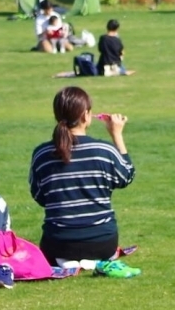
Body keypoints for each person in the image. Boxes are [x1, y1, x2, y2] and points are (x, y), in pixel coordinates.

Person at [29, 86, 140, 278]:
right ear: (85, 115)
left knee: (61, 250)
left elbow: (39, 196)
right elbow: (127, 176)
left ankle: (69, 261)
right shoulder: (104, 150)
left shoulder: (41, 154)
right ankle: (95, 261)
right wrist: (117, 135)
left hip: (57, 244)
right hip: (102, 241)